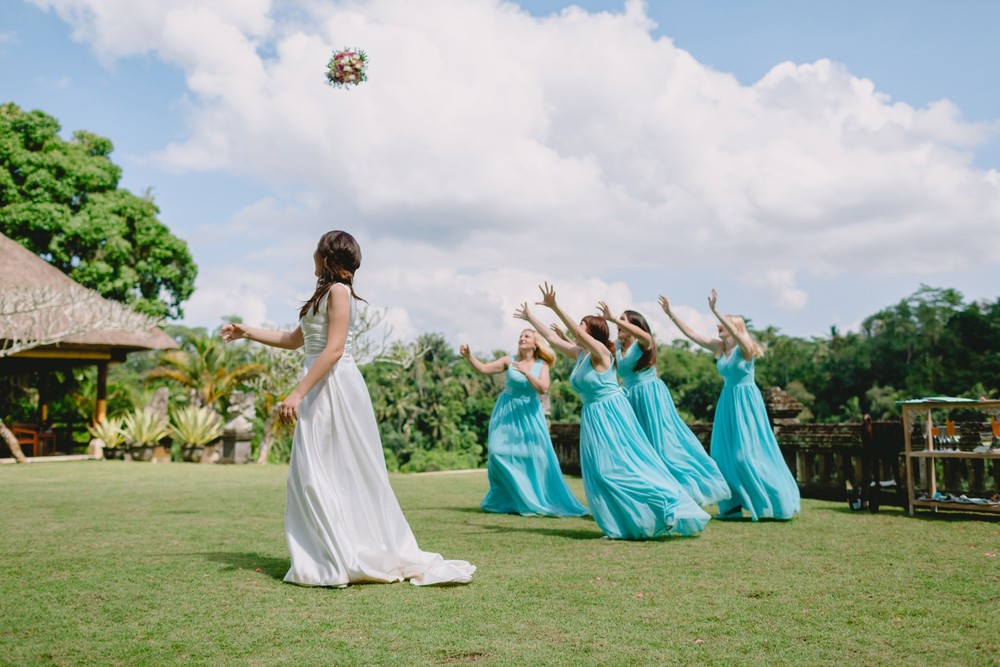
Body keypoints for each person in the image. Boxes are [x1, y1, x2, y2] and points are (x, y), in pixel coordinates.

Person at [221, 230, 475, 586]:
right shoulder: (322, 295)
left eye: (316, 249)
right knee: (312, 472)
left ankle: (340, 557)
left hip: (335, 386)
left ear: (326, 258)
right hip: (318, 383)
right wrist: (247, 331)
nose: (310, 254)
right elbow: (296, 341)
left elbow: (334, 350)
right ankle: (329, 554)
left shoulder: (339, 293)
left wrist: (296, 394)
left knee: (326, 471)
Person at [515, 283, 710, 540]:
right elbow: (552, 339)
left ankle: (668, 503)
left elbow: (573, 331)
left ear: (592, 332)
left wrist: (555, 307)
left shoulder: (599, 352)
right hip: (593, 417)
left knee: (621, 468)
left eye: (583, 326)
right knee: (600, 473)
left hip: (612, 414)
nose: (578, 330)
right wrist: (531, 318)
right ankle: (623, 524)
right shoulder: (581, 354)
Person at [660, 289, 800, 521]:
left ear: (735, 327)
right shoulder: (720, 348)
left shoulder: (745, 349)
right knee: (721, 455)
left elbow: (738, 333)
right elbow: (693, 335)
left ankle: (773, 502)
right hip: (727, 402)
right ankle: (732, 506)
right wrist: (670, 314)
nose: (718, 326)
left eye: (723, 324)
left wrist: (716, 310)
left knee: (745, 456)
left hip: (746, 403)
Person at [597, 302, 730, 508]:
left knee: (663, 446)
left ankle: (691, 489)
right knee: (638, 448)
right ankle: (648, 495)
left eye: (623, 322)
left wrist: (614, 317)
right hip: (630, 399)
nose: (618, 325)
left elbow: (644, 335)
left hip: (650, 396)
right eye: (618, 322)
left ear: (635, 325)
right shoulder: (616, 347)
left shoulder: (644, 342)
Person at [459, 330, 588, 517]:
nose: (522, 338)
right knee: (496, 453)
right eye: (520, 335)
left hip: (529, 413)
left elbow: (543, 388)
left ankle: (531, 498)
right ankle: (507, 499)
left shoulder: (542, 365)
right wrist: (470, 357)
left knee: (536, 456)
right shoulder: (508, 360)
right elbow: (484, 369)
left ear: (535, 344)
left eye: (527, 336)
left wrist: (528, 373)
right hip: (506, 411)